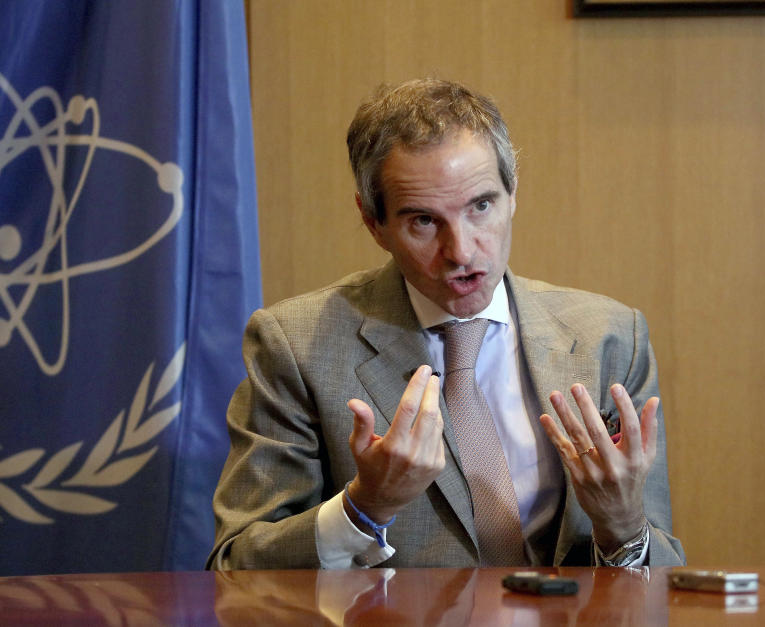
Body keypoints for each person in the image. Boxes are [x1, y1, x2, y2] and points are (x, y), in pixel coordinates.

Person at [207, 78, 685, 570]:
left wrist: (623, 524)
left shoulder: (610, 338)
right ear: (374, 222)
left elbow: (661, 576)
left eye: (481, 206)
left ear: (512, 193)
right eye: (424, 221)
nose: (461, 251)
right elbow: (235, 567)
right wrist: (363, 508)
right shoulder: (296, 345)